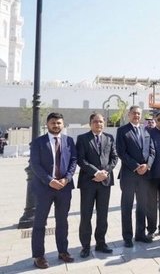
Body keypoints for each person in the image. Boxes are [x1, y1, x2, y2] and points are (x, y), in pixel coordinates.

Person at [30, 112, 77, 269]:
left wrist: (67, 178)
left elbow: (73, 161)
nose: (56, 125)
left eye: (59, 123)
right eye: (53, 123)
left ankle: (63, 251)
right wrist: (50, 181)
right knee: (39, 222)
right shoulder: (38, 142)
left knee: (62, 221)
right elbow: (35, 165)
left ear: (63, 124)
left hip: (64, 188)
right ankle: (38, 256)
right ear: (47, 124)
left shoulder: (69, 141)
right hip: (44, 188)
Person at [77, 113, 118, 258]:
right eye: (95, 121)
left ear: (104, 123)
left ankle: (101, 243)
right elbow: (81, 160)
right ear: (90, 123)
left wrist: (104, 173)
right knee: (86, 215)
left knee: (103, 215)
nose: (98, 124)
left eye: (101, 122)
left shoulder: (109, 138)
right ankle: (85, 246)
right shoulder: (82, 139)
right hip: (88, 182)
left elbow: (114, 158)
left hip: (105, 182)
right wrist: (95, 173)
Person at [116, 105, 155, 247]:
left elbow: (152, 151)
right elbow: (121, 152)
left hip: (144, 175)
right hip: (129, 175)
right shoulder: (122, 131)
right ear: (129, 115)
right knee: (126, 206)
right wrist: (136, 167)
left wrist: (147, 165)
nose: (136, 116)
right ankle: (127, 237)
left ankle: (140, 234)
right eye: (134, 113)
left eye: (138, 114)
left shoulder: (146, 131)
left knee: (142, 206)